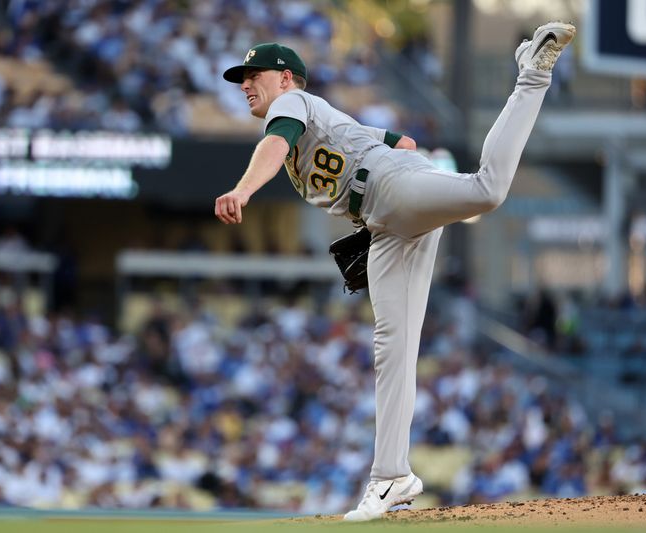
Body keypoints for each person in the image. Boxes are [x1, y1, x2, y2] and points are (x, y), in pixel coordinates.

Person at [214, 22, 576, 521]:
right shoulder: (318, 118)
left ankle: (530, 75)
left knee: (487, 190)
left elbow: (276, 146)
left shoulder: (291, 105)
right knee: (393, 347)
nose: (245, 84)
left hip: (390, 189)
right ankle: (391, 478)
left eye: (254, 74)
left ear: (286, 78)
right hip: (385, 221)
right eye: (241, 77)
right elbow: (401, 141)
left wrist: (243, 190)